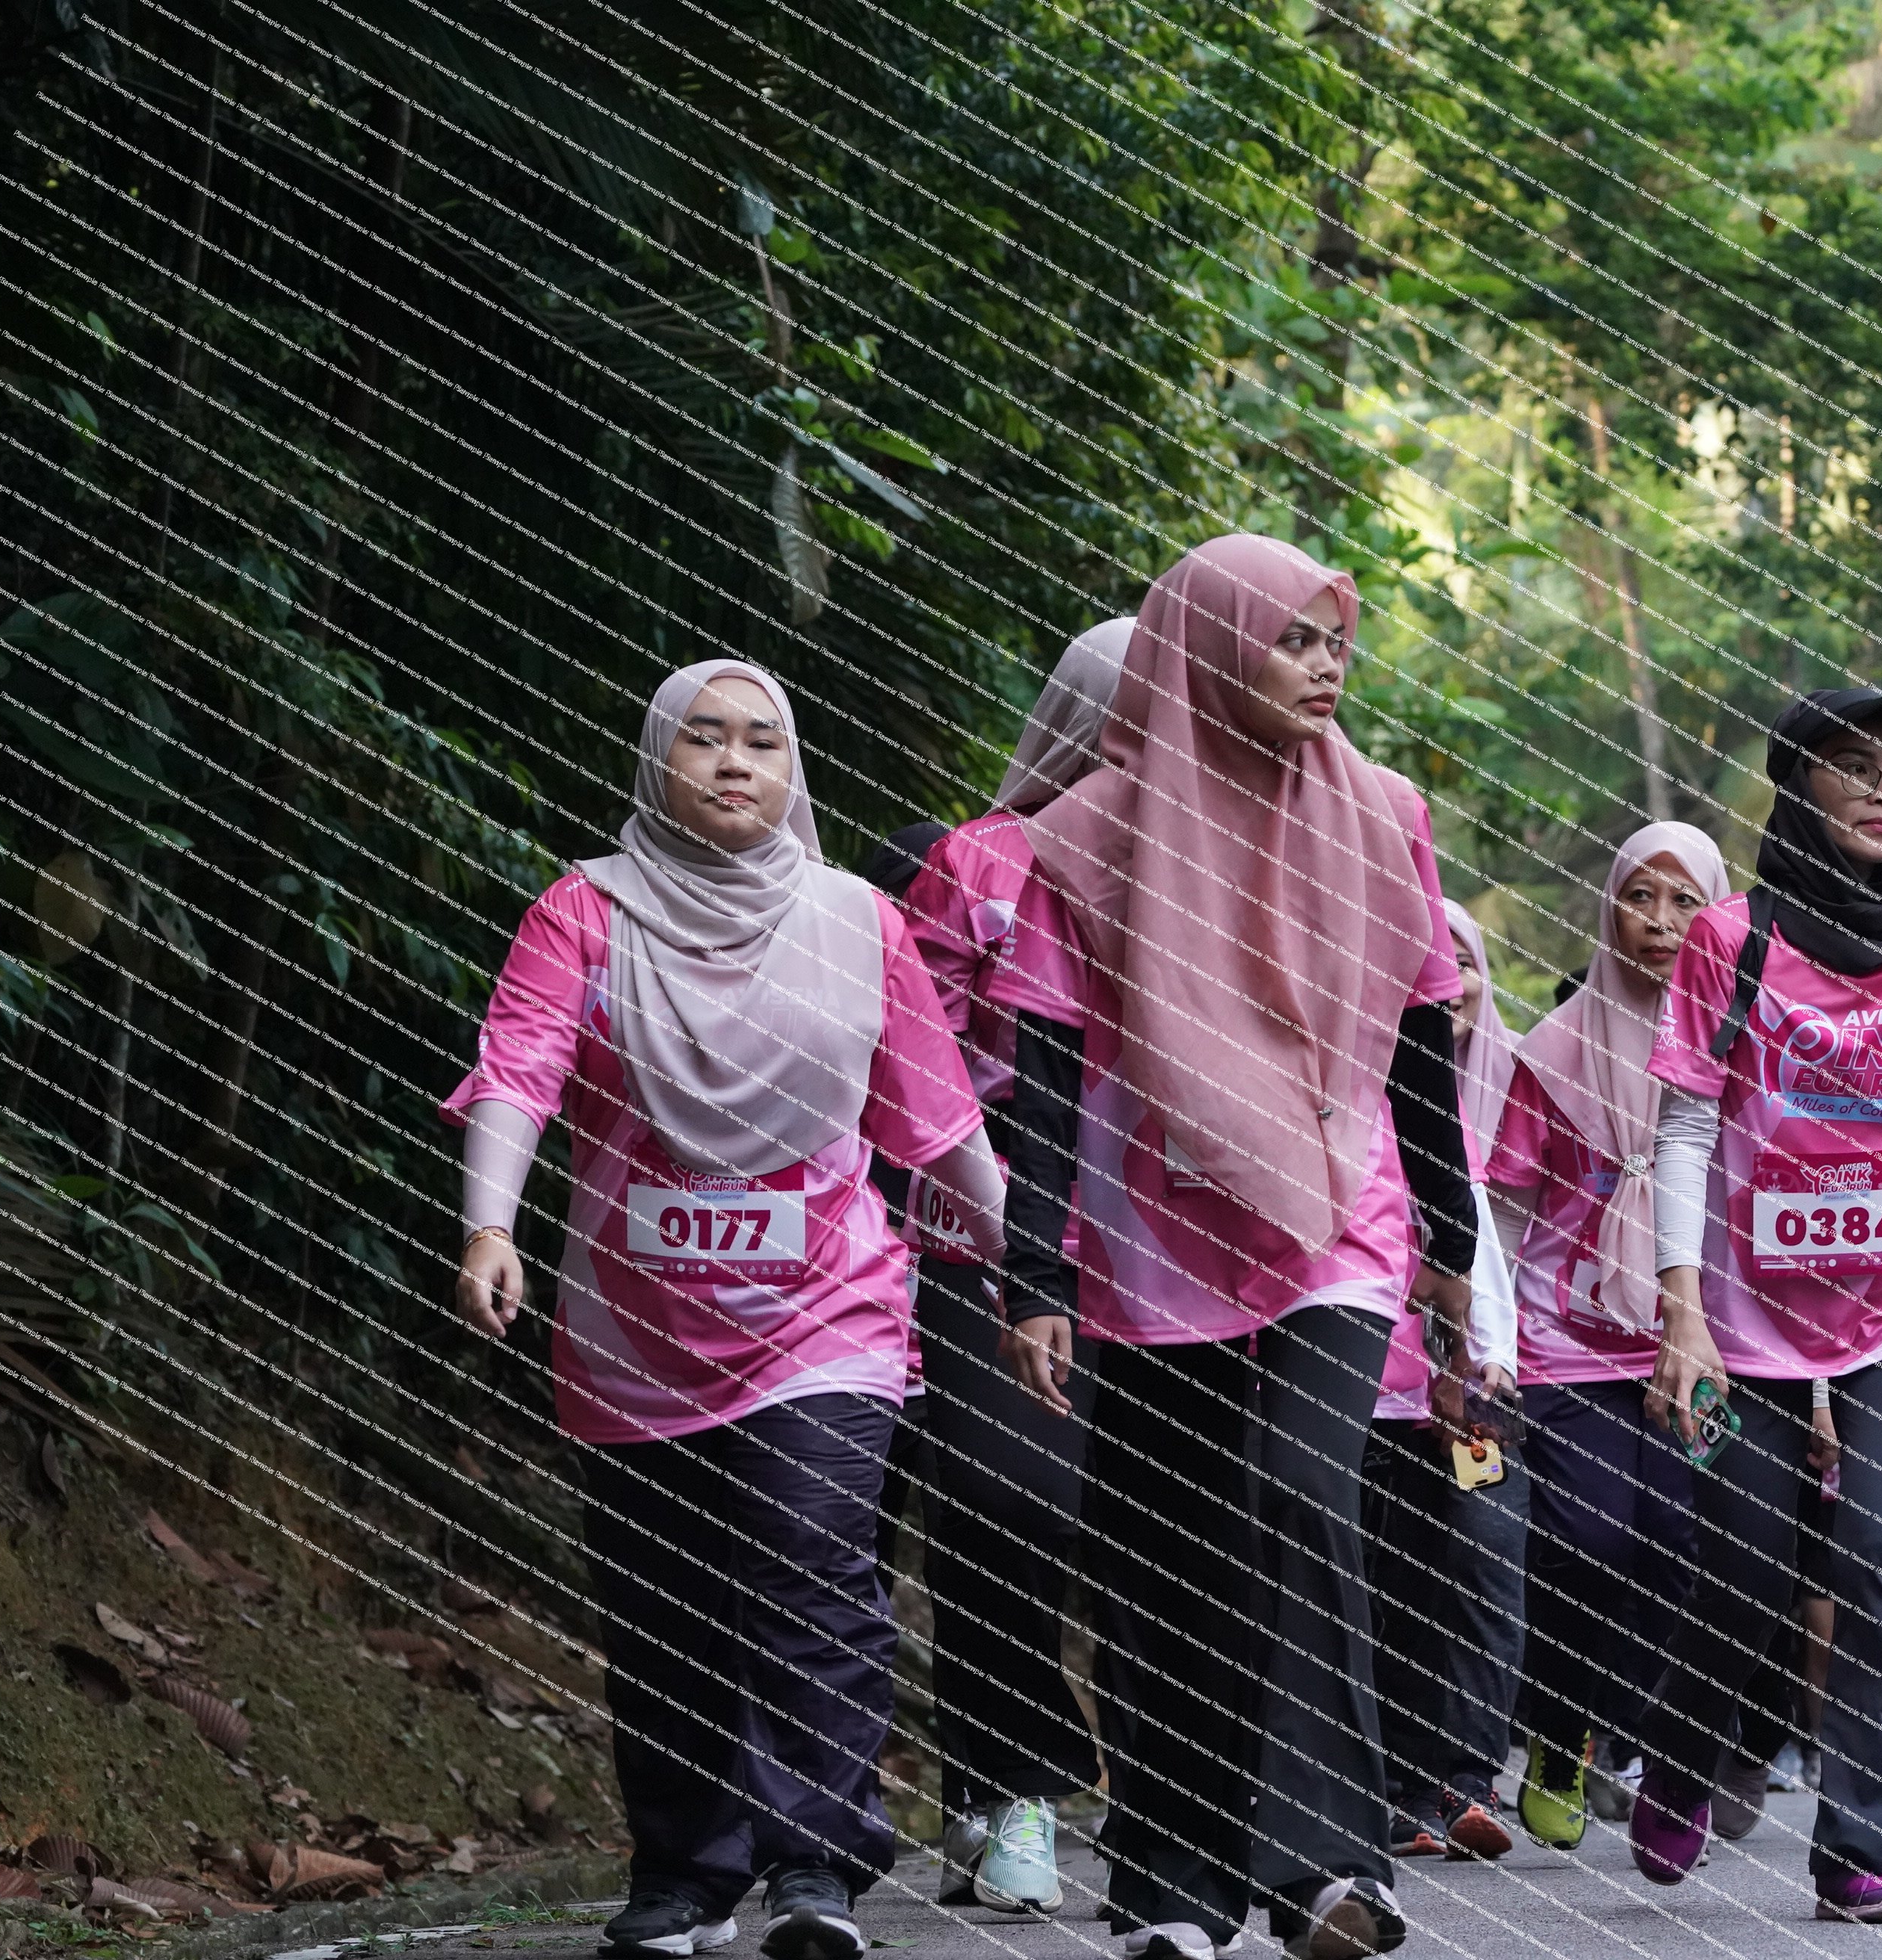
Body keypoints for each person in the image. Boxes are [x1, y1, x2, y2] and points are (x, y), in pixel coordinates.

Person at [443, 660, 1004, 1960]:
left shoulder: (860, 922)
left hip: (829, 1312)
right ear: (659, 759)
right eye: (703, 739)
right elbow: (520, 1069)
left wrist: (1027, 1271)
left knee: (812, 1563)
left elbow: (935, 1115)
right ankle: (686, 1872)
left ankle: (816, 1865)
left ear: (794, 769)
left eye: (762, 741)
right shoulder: (584, 909)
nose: (735, 762)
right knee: (664, 1596)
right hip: (634, 1323)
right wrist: (490, 1224)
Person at [982, 534, 1478, 1960]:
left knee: (1298, 1491)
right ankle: (1173, 1887)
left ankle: (1329, 1864)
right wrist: (1034, 1275)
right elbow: (1049, 1070)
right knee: (1167, 1546)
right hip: (1153, 1239)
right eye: (1293, 639)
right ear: (1204, 649)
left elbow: (1422, 1044)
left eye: (1335, 640)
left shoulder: (1385, 814)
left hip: (1335, 1222)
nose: (1327, 667)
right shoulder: (1088, 834)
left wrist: (1451, 1240)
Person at [1641, 686, 1882, 1924]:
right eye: (1857, 767)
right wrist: (1682, 1311)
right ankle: (1685, 1750)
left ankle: (1861, 1842)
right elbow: (1686, 1124)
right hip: (1743, 1318)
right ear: (1799, 781)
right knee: (1745, 1571)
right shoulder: (1730, 939)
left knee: (1881, 1552)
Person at [897, 620, 1133, 1915]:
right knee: (1004, 1504)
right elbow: (910, 1047)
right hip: (981, 1243)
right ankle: (1008, 1784)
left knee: (1164, 1525)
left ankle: (1173, 1799)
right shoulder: (979, 861)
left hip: (1175, 1257)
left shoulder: (1230, 867)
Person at [1479, 823, 1727, 1852]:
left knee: (1684, 1550)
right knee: (1586, 1543)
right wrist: (1489, 1341)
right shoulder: (1552, 1051)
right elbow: (1504, 1208)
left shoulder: (1740, 1043)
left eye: (1685, 902)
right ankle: (1558, 1726)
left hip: (1699, 1342)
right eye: (1640, 897)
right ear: (1609, 907)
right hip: (1566, 1345)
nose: (1661, 922)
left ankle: (1646, 1739)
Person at [1363, 897, 1526, 1861]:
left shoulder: (1475, 1088)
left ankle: (1467, 1777)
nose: (1448, 983)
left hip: (1472, 1385)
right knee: (1389, 1578)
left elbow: (1480, 1247)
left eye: (1461, 961)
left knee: (1480, 1563)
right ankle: (1395, 1785)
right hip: (1369, 1380)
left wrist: (1486, 1358)